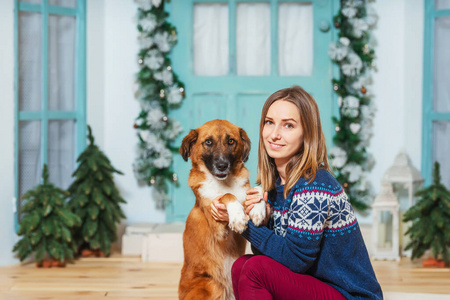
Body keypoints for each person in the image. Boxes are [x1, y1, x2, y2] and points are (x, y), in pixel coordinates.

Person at [211, 86, 383, 299]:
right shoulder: (276, 184)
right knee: (242, 265)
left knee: (255, 269)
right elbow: (272, 258)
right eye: (269, 122)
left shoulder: (314, 185)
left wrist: (243, 225)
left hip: (348, 295)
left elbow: (295, 260)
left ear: (306, 133)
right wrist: (263, 222)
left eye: (288, 125)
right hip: (314, 286)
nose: (274, 135)